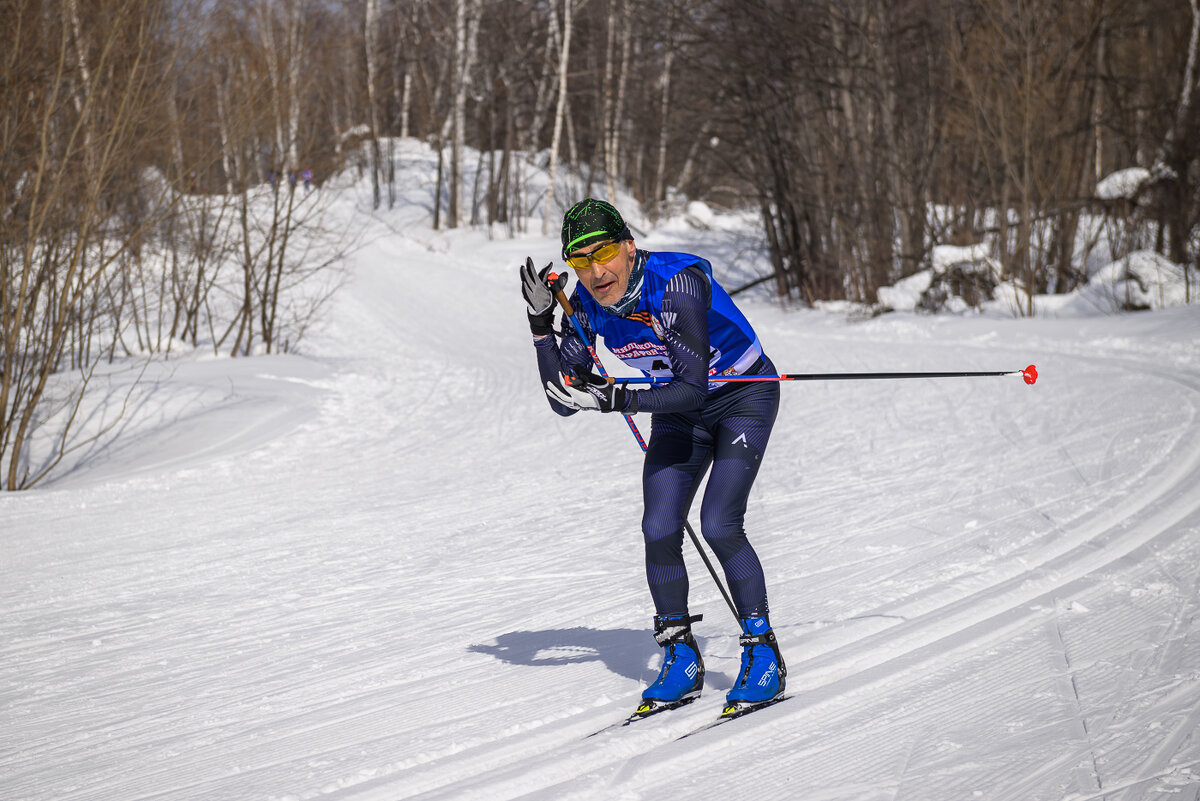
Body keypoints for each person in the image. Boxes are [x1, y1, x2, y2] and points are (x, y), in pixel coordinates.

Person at [519, 198, 786, 717]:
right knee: (659, 526)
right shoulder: (585, 302)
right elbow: (563, 401)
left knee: (719, 524)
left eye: (603, 254)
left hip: (741, 398)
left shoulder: (677, 285)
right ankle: (681, 654)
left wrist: (619, 396)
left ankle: (763, 653)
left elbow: (692, 387)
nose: (596, 272)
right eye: (580, 262)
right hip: (676, 410)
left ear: (629, 246)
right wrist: (540, 326)